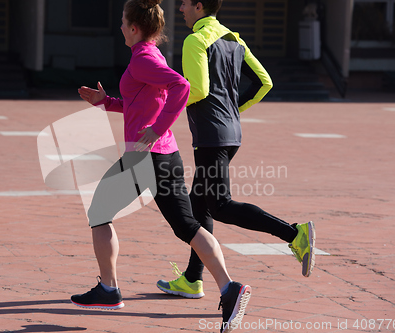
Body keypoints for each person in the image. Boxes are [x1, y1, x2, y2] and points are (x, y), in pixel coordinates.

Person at [72, 0, 251, 331]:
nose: (121, 27)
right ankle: (229, 288)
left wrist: (154, 131)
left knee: (99, 213)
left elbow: (181, 87)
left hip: (145, 157)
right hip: (164, 156)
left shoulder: (142, 58)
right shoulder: (151, 55)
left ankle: (109, 289)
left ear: (135, 27)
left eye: (124, 22)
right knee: (188, 226)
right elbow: (144, 103)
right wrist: (107, 102)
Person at [157, 0, 316, 299]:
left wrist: (165, 108)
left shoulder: (196, 40)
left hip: (211, 136)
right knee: (199, 205)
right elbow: (264, 83)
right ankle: (192, 279)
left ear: (200, 6)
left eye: (185, 3)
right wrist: (233, 110)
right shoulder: (234, 39)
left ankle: (294, 234)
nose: (180, 8)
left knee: (219, 205)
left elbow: (199, 89)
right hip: (230, 133)